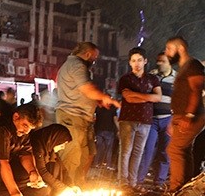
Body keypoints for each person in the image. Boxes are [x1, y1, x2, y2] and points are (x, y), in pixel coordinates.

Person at [55, 42, 120, 186]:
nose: (94, 62)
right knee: (73, 155)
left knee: (87, 154)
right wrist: (105, 97)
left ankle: (78, 185)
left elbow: (80, 93)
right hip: (73, 117)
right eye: (94, 58)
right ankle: (66, 188)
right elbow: (86, 89)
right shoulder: (77, 66)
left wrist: (96, 102)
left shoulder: (73, 65)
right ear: (88, 54)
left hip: (82, 118)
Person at [117, 47, 161, 188]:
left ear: (145, 61)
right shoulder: (125, 79)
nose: (137, 63)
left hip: (145, 120)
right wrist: (148, 98)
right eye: (134, 60)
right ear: (130, 62)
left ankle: (133, 183)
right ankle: (123, 183)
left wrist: (138, 96)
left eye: (140, 60)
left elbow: (158, 97)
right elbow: (128, 98)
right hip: (128, 119)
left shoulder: (152, 79)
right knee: (125, 151)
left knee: (138, 152)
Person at [165, 37, 205, 193]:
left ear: (180, 48)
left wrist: (188, 115)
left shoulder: (193, 65)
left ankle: (176, 189)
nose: (167, 53)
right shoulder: (184, 67)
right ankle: (185, 189)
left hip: (192, 116)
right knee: (184, 150)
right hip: (181, 115)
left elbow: (196, 89)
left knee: (174, 150)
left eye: (169, 48)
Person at [136, 52, 176, 188]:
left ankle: (159, 182)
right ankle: (139, 181)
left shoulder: (176, 78)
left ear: (170, 63)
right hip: (151, 119)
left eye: (162, 61)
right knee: (147, 150)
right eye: (158, 61)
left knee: (165, 152)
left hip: (168, 119)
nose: (159, 63)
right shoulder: (152, 76)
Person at [19, 124, 74, 196]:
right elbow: (42, 171)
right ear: (55, 139)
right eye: (63, 144)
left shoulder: (50, 150)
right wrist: (63, 188)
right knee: (45, 191)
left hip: (41, 182)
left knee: (56, 167)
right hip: (26, 183)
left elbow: (63, 170)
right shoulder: (37, 145)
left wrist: (71, 186)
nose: (63, 147)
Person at [93, 104, 118, 170]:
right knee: (109, 149)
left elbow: (94, 117)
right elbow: (115, 119)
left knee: (98, 148)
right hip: (109, 130)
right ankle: (108, 165)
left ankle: (96, 163)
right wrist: (118, 129)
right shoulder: (112, 107)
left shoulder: (98, 106)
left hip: (99, 130)